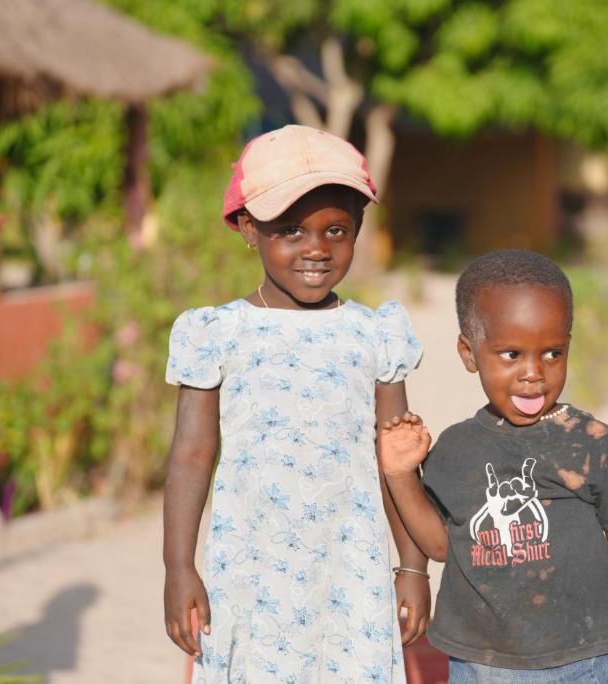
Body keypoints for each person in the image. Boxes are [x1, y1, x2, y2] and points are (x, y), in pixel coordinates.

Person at [162, 125, 430, 684]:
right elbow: (191, 455)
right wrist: (179, 566)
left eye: (336, 230)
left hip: (350, 572)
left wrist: (412, 566)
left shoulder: (373, 335)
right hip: (250, 572)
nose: (316, 249)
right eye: (290, 230)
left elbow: (396, 463)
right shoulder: (219, 334)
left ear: (357, 228)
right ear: (248, 228)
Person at [378, 250, 608, 684]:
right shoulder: (455, 449)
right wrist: (401, 476)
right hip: (480, 660)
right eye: (511, 354)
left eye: (552, 353)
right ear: (469, 353)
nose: (534, 373)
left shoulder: (588, 441)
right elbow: (440, 546)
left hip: (581, 659)